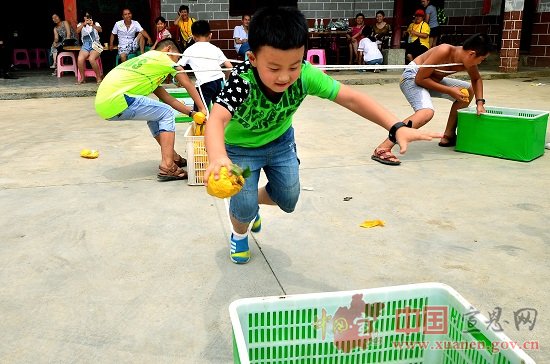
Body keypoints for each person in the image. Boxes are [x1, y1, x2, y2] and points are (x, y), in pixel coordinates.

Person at [204, 6, 439, 264]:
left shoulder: (306, 76)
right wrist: (217, 156)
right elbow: (217, 118)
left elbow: (351, 98)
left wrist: (396, 127)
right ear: (253, 58)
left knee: (288, 199)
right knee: (243, 208)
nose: (285, 77)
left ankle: (250, 203)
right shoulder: (242, 81)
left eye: (294, 66)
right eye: (273, 68)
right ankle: (240, 234)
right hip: (240, 148)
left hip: (280, 143)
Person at [95, 39, 208, 181]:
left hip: (104, 104)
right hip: (118, 99)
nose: (176, 63)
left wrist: (192, 113)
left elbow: (168, 98)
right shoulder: (161, 58)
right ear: (168, 50)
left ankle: (173, 157)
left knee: (157, 113)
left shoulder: (147, 63)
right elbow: (186, 82)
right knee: (166, 112)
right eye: (177, 58)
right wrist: (202, 108)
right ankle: (168, 166)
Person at [371, 33, 492, 166]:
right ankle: (383, 147)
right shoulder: (444, 50)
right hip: (412, 78)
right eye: (481, 60)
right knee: (426, 112)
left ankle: (448, 135)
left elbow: (476, 79)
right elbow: (420, 79)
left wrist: (480, 103)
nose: (480, 63)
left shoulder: (468, 61)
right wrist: (450, 90)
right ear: (472, 54)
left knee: (468, 91)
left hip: (431, 80)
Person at [178, 20, 233, 111]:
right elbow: (230, 67)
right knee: (219, 112)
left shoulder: (190, 50)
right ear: (210, 35)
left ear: (193, 37)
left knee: (200, 113)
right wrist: (226, 79)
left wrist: (179, 80)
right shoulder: (216, 49)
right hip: (220, 82)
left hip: (205, 84)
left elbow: (179, 66)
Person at [76, 12, 102, 84]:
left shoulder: (96, 23)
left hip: (95, 44)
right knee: (80, 59)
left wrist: (92, 25)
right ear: (83, 17)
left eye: (88, 16)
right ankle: (82, 78)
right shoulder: (80, 24)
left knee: (91, 59)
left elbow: (100, 30)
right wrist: (83, 24)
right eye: (85, 16)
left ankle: (98, 77)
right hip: (85, 45)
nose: (87, 18)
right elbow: (77, 31)